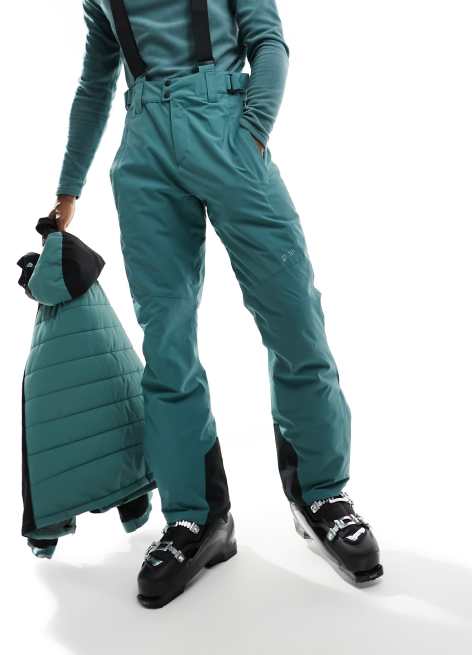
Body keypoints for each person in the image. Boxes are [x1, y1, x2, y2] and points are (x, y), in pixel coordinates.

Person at [50, 0, 383, 609]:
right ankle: (196, 518)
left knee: (295, 320)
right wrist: (68, 187)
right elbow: (96, 80)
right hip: (144, 153)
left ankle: (322, 496)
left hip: (228, 131)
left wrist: (252, 130)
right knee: (167, 345)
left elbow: (268, 41)